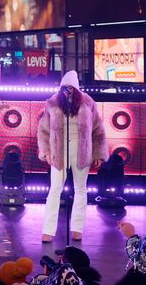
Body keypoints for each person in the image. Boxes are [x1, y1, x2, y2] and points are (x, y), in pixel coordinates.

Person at [37, 70, 107, 242]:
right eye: (64, 87)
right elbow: (43, 130)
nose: (67, 90)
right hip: (58, 150)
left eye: (70, 87)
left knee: (80, 189)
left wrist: (98, 153)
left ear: (76, 88)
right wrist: (46, 152)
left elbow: (98, 129)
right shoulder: (52, 103)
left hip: (81, 149)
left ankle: (77, 229)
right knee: (54, 190)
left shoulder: (88, 102)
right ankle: (48, 230)